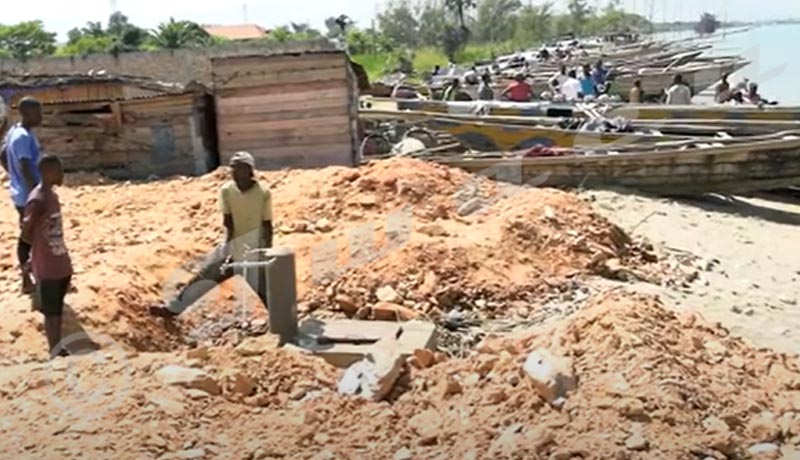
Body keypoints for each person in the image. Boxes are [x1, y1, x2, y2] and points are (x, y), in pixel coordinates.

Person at [150, 152, 273, 318]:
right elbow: (228, 223)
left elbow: (267, 226)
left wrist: (264, 252)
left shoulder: (263, 193)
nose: (235, 173)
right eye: (233, 169)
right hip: (231, 246)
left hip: (253, 248)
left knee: (266, 291)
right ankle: (172, 309)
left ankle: (285, 321)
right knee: (203, 278)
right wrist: (228, 249)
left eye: (240, 169)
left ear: (250, 170)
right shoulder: (227, 191)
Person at [21, 155, 72, 357]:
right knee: (51, 311)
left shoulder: (51, 195)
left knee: (57, 307)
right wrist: (33, 257)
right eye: (58, 170)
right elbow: (26, 232)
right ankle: (54, 350)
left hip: (59, 259)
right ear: (47, 172)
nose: (62, 174)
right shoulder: (38, 199)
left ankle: (59, 347)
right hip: (47, 263)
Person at [0, 97, 43, 294]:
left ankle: (34, 278)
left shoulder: (14, 132)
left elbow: (2, 154)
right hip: (28, 196)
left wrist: (12, 176)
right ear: (27, 113)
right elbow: (26, 167)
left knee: (30, 235)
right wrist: (39, 192)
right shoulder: (22, 137)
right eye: (38, 112)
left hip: (21, 193)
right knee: (31, 237)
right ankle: (30, 279)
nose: (41, 116)